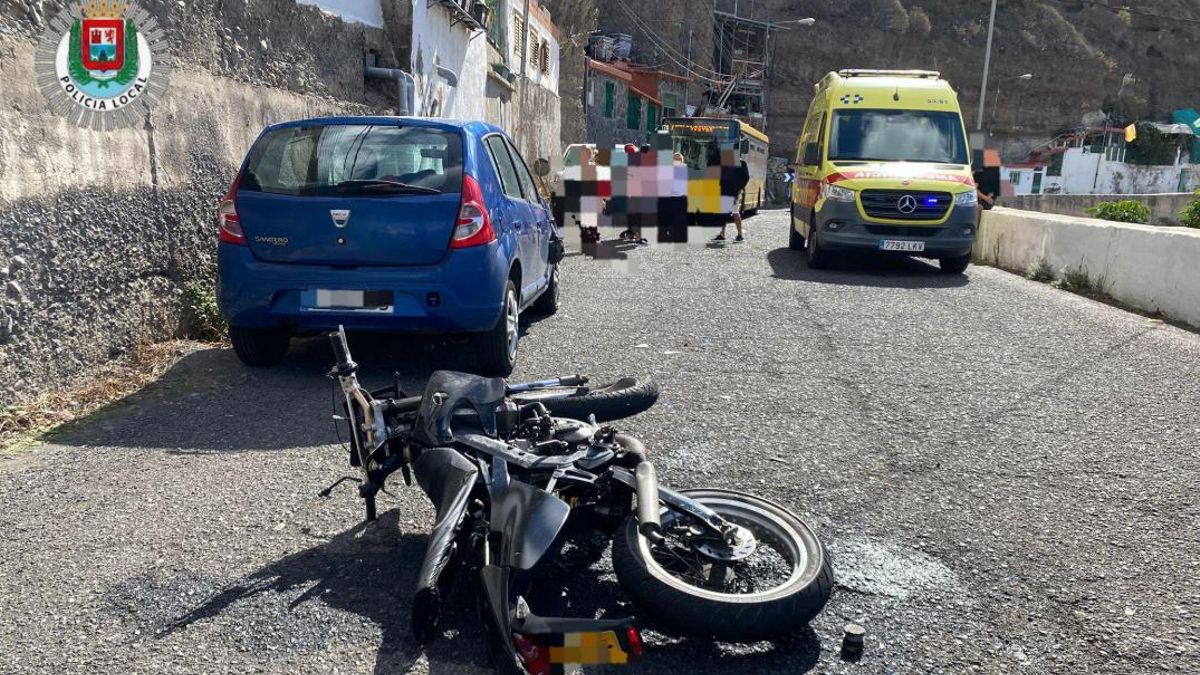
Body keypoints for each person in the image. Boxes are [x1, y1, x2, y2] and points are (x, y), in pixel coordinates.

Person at [713, 147, 750, 242]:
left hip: (734, 192)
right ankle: (722, 234)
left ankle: (740, 234)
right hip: (723, 191)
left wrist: (738, 187)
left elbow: (746, 177)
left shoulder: (742, 164)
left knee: (735, 213)